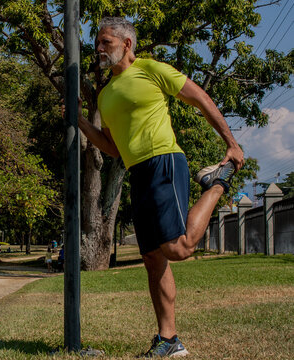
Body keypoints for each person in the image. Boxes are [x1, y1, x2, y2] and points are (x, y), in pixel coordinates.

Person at [76, 17, 244, 357]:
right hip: (137, 171)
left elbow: (201, 99)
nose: (98, 49)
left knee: (178, 248)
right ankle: (169, 340)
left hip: (164, 160)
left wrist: (231, 143)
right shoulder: (105, 95)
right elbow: (112, 147)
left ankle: (217, 183)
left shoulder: (151, 69)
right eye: (97, 43)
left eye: (105, 42)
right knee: (153, 258)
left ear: (127, 44)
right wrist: (79, 121)